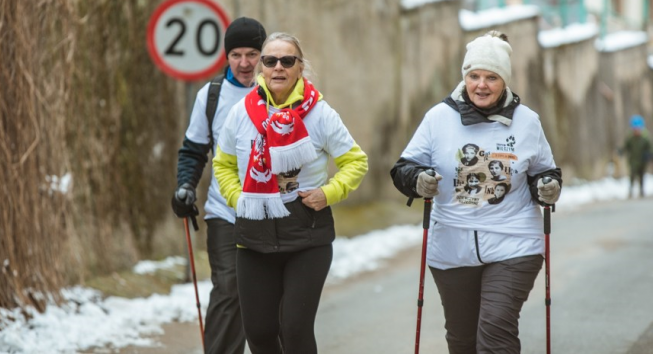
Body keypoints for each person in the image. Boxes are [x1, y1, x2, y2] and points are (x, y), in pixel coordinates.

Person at [390, 31, 562, 354]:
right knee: (462, 340)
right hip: (451, 248)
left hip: (514, 242)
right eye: (474, 76)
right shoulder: (438, 119)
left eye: (491, 77)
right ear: (465, 77)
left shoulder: (527, 122)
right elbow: (403, 169)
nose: (481, 85)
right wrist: (418, 180)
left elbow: (546, 172)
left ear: (505, 81)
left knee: (495, 334)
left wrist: (548, 188)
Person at [212, 32, 368, 354]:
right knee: (259, 332)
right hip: (254, 233)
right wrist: (238, 198)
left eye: (287, 61)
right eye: (270, 61)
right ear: (261, 68)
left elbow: (355, 161)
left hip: (307, 235)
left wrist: (328, 193)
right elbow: (223, 164)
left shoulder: (320, 113)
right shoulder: (241, 113)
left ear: (300, 68)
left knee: (295, 329)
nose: (278, 67)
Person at [171, 16, 267, 354]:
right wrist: (185, 185)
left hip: (274, 214)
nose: (244, 63)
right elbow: (194, 151)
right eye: (236, 55)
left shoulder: (281, 92)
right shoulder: (211, 96)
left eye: (252, 54)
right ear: (226, 57)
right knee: (229, 287)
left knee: (267, 294)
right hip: (224, 210)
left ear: (263, 55)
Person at [621, 114, 651, 198]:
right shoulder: (630, 138)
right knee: (632, 175)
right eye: (635, 129)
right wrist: (621, 151)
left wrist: (649, 154)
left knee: (641, 175)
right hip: (633, 160)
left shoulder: (645, 138)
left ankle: (641, 190)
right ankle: (630, 190)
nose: (636, 130)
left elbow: (649, 147)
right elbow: (626, 147)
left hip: (642, 160)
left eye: (638, 129)